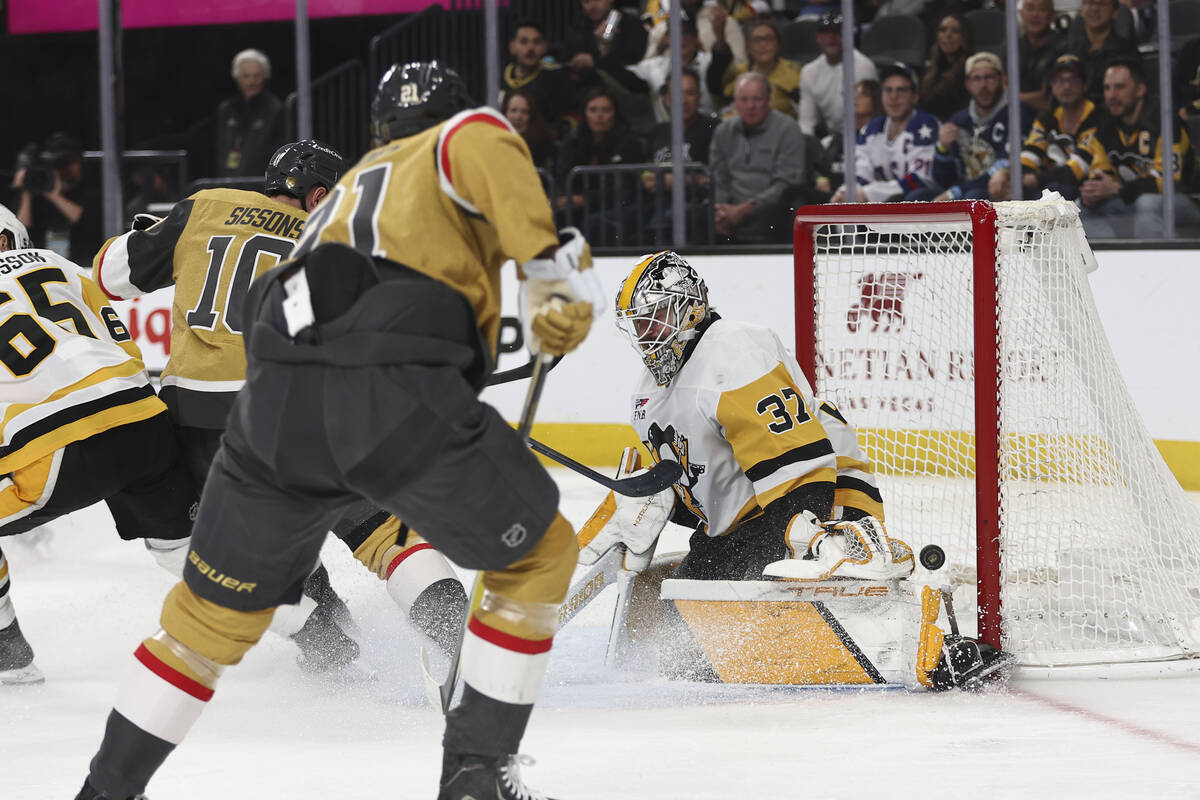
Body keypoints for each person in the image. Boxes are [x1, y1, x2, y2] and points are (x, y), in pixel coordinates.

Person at [76, 60, 605, 800]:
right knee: (538, 555)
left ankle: (103, 792)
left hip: (263, 412)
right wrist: (558, 285)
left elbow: (259, 307)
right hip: (384, 383)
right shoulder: (468, 135)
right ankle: (474, 775)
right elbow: (533, 247)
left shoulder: (333, 203)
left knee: (200, 625)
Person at [587, 251, 1009, 689]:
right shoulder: (652, 387)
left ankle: (929, 646)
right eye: (636, 323)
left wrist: (798, 540)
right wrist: (661, 502)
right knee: (685, 631)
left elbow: (801, 473)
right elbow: (715, 490)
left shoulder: (731, 351)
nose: (644, 335)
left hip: (823, 496)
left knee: (804, 576)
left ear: (689, 306)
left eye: (653, 319)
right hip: (755, 514)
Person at [0, 203, 195, 686]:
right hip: (140, 419)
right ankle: (324, 635)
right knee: (191, 557)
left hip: (54, 447)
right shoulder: (58, 263)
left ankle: (9, 654)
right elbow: (120, 343)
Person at [1078, 58, 1200, 238]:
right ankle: (1111, 262)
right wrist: (1095, 190)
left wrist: (1117, 189)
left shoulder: (1166, 123)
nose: (1111, 96)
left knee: (1148, 203)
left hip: (1185, 201)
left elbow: (1168, 182)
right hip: (1130, 198)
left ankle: (1151, 263)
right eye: (1107, 88)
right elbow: (1102, 170)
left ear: (1140, 90)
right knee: (1077, 210)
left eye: (1120, 87)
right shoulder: (1106, 127)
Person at [710, 72, 810, 243]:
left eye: (757, 99)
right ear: (735, 102)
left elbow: (786, 183)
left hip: (771, 212)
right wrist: (721, 212)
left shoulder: (788, 129)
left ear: (769, 100)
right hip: (730, 212)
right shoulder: (723, 132)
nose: (750, 106)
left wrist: (744, 210)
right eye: (744, 99)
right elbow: (719, 178)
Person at [925, 52, 1035, 202]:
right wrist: (942, 149)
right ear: (967, 85)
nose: (983, 85)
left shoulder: (1018, 114)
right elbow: (944, 180)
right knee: (917, 197)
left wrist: (954, 193)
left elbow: (1008, 162)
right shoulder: (959, 120)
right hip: (963, 190)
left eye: (989, 77)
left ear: (1003, 80)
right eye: (976, 79)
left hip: (1000, 192)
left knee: (974, 198)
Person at [833, 63, 940, 203]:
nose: (893, 96)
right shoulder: (872, 129)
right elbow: (860, 176)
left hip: (923, 204)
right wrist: (843, 193)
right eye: (888, 90)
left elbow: (920, 180)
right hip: (883, 206)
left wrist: (870, 194)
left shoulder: (926, 125)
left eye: (901, 90)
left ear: (914, 96)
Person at [555, 87, 647, 245]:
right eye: (593, 110)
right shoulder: (573, 142)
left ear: (615, 114)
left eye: (606, 110)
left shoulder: (629, 143)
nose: (599, 116)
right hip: (579, 207)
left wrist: (584, 200)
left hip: (617, 207)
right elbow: (562, 177)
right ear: (585, 114)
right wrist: (562, 198)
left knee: (595, 223)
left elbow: (624, 191)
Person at [643, 68, 721, 243]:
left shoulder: (714, 129)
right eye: (677, 94)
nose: (683, 101)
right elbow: (646, 166)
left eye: (690, 93)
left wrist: (680, 180)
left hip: (696, 205)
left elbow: (719, 177)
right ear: (667, 99)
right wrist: (646, 178)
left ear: (700, 97)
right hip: (654, 204)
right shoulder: (657, 132)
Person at [1018, 54, 1104, 201]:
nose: (1066, 86)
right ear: (1052, 85)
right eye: (1059, 80)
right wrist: (1024, 175)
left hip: (1085, 191)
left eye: (1072, 80)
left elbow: (1078, 169)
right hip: (1049, 184)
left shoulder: (1097, 117)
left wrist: (1036, 179)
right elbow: (1029, 155)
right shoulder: (1047, 117)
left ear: (1085, 85)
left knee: (1054, 192)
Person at [9, 132, 103, 264]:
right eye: (59, 164)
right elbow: (20, 229)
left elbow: (90, 224)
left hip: (83, 263)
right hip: (41, 265)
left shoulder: (92, 191)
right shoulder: (36, 196)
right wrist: (26, 189)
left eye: (70, 162)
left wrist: (55, 196)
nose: (65, 169)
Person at [798, 12, 879, 139]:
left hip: (862, 137)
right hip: (830, 138)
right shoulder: (809, 72)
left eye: (837, 32)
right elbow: (806, 122)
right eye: (825, 33)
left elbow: (868, 117)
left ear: (848, 35)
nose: (831, 38)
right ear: (818, 37)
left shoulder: (863, 66)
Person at [628, 16, 716, 122]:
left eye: (686, 33)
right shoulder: (654, 67)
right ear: (667, 38)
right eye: (675, 33)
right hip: (667, 131)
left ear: (696, 37)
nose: (681, 38)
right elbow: (621, 76)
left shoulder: (711, 62)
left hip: (708, 127)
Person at [215, 49, 286, 178]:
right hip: (230, 184)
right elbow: (222, 150)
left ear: (265, 77)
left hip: (262, 184)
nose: (251, 82)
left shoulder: (275, 109)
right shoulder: (227, 109)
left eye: (256, 76)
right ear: (237, 78)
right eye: (246, 76)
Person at [501, 20, 577, 134]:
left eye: (536, 42)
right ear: (512, 47)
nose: (531, 48)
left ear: (545, 46)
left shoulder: (557, 79)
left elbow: (570, 119)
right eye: (524, 42)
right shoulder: (497, 76)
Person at [716, 18, 802, 119]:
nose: (763, 45)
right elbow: (725, 109)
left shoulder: (795, 72)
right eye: (756, 40)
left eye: (769, 39)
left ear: (778, 44)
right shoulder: (736, 73)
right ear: (747, 47)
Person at [564, 0, 651, 96]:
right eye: (586, 1)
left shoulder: (632, 25)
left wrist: (597, 57)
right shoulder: (579, 25)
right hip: (588, 91)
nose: (591, 6)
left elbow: (633, 62)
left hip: (627, 91)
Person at [1066, 0, 1140, 105]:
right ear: (1082, 10)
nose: (1094, 8)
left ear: (1115, 12)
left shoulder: (1125, 51)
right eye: (1089, 3)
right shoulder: (1070, 51)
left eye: (1102, 4)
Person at [919, 12, 974, 123]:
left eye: (955, 31)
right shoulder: (931, 69)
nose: (948, 35)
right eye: (943, 30)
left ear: (964, 36)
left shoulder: (971, 69)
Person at [1017, 0, 1067, 112]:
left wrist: (1013, 98)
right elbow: (1002, 88)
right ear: (1021, 14)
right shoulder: (1012, 46)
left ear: (1053, 16)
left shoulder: (1063, 48)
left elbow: (1047, 100)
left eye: (1042, 9)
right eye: (1030, 8)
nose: (1035, 14)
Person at [502, 89, 558, 174]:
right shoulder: (496, 143)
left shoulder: (543, 146)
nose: (518, 117)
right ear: (505, 113)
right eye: (513, 110)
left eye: (524, 112)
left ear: (531, 116)